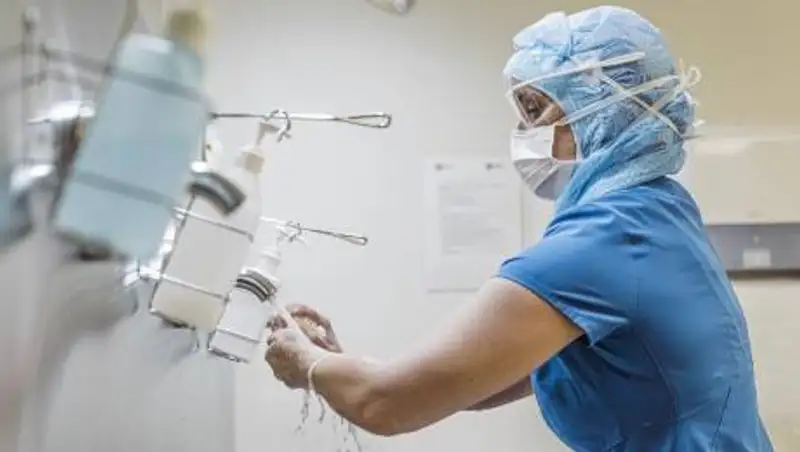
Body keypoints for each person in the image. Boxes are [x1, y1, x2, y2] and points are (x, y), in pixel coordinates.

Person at [264, 6, 774, 451]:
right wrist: (338, 368)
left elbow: (387, 404)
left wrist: (306, 363)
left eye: (534, 109)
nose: (523, 132)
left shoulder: (599, 245)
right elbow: (466, 380)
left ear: (598, 110)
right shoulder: (659, 210)